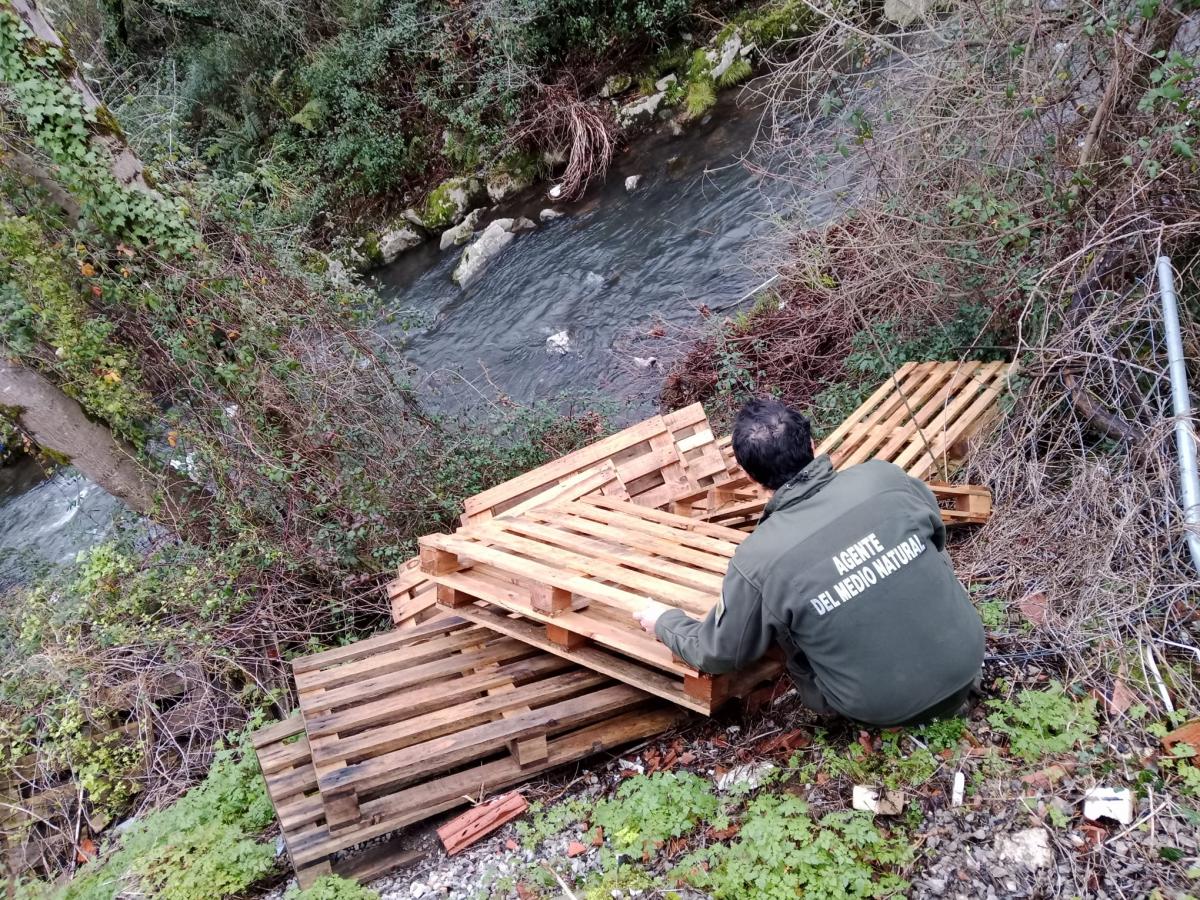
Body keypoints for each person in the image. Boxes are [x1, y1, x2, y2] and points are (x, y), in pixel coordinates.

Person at [636, 397, 984, 727]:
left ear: (750, 477)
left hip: (881, 707)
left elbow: (718, 652)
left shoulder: (759, 558)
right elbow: (936, 534)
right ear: (813, 444)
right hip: (967, 660)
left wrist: (663, 621)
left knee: (780, 628)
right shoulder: (885, 478)